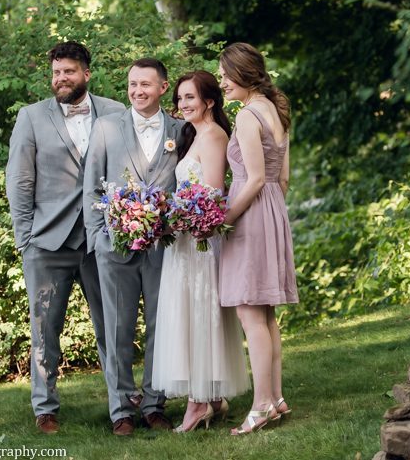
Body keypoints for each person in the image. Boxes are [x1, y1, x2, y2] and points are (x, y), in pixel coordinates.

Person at [5, 40, 125, 434]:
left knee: (112, 326)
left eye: (69, 72)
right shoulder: (31, 117)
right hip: (47, 242)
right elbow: (20, 181)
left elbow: (125, 171)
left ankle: (121, 408)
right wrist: (25, 238)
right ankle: (45, 409)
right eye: (56, 72)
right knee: (44, 329)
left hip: (100, 241)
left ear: (86, 74)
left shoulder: (114, 112)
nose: (61, 79)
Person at [83, 57, 184, 436]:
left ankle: (155, 404)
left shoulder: (180, 129)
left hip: (163, 247)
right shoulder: (107, 128)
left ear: (162, 87)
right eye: (132, 84)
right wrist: (99, 239)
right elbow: (91, 187)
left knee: (161, 326)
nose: (137, 91)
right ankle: (121, 409)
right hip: (115, 248)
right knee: (118, 329)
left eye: (145, 84)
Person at [151, 70, 250, 433]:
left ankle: (198, 403)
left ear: (209, 101)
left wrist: (177, 219)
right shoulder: (195, 135)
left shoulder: (214, 136)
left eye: (190, 97)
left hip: (199, 240)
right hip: (184, 238)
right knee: (188, 315)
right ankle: (211, 398)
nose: (182, 104)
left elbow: (210, 194)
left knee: (197, 315)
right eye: (179, 98)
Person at [217, 43, 299, 435]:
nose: (221, 82)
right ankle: (276, 397)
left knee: (251, 313)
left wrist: (225, 219)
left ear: (243, 74)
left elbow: (252, 179)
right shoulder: (276, 110)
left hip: (250, 214)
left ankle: (262, 404)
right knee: (265, 314)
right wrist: (272, 215)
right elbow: (281, 180)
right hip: (272, 210)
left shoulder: (249, 116)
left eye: (225, 74)